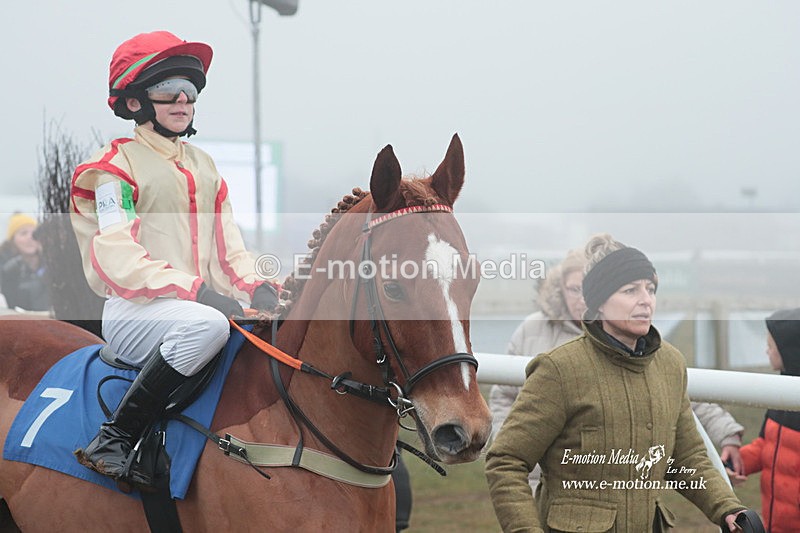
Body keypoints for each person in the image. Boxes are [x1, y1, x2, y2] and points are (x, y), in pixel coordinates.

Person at [70, 31, 279, 491]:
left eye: (191, 91)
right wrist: (200, 294)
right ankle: (115, 438)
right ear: (134, 103)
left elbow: (230, 250)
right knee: (208, 327)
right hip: (136, 312)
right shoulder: (108, 171)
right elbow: (117, 255)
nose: (183, 101)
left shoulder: (204, 166)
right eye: (168, 91)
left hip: (199, 307)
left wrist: (259, 287)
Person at [485, 233, 747, 532]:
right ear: (599, 302)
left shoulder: (670, 364)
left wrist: (728, 509)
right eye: (630, 290)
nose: (645, 300)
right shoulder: (558, 369)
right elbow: (506, 460)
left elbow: (688, 458)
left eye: (650, 289)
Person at [489, 248, 587, 494]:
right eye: (575, 289)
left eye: (589, 288)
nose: (582, 298)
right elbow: (503, 395)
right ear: (560, 288)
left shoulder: (623, 335)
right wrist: (509, 449)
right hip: (532, 482)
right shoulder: (531, 329)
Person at [739, 308, 800, 533]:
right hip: (774, 524)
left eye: (771, 346)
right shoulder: (778, 393)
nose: (767, 350)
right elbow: (767, 445)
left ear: (790, 350)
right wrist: (736, 462)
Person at [0, 213, 51, 312]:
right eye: (23, 233)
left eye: (35, 234)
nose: (30, 237)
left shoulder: (51, 264)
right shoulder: (5, 268)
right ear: (12, 240)